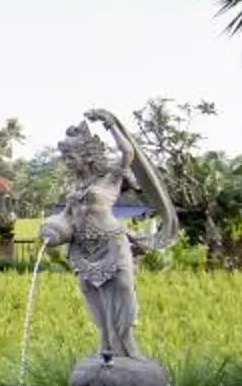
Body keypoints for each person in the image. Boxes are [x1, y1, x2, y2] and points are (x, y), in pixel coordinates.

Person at [38, 110, 180, 362]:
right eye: (65, 157)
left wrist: (111, 125)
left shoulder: (110, 178)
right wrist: (52, 230)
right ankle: (105, 340)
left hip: (112, 242)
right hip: (83, 246)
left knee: (124, 287)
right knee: (89, 290)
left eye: (71, 157)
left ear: (87, 156)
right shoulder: (75, 187)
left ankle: (127, 340)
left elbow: (127, 153)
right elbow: (67, 216)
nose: (67, 162)